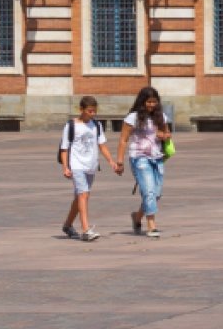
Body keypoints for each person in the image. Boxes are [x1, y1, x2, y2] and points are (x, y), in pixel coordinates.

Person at [59, 96, 120, 240]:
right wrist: (65, 167)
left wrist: (111, 161)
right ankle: (86, 230)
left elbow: (102, 145)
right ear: (81, 110)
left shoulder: (97, 125)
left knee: (80, 196)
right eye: (89, 111)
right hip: (77, 165)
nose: (92, 114)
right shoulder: (71, 126)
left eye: (94, 112)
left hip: (91, 166)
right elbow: (64, 148)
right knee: (84, 194)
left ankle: (67, 225)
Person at [123, 87, 171, 238]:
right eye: (149, 102)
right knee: (148, 191)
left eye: (154, 102)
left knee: (156, 194)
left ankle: (137, 217)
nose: (151, 105)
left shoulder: (160, 116)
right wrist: (118, 161)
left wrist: (162, 135)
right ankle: (151, 226)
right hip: (139, 157)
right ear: (142, 102)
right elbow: (123, 139)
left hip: (157, 157)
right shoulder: (133, 117)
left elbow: (167, 134)